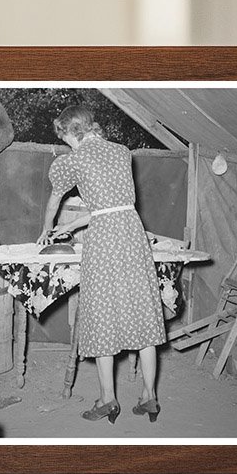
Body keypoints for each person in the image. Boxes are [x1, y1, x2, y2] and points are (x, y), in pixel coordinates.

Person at [39, 105, 166, 424]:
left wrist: (46, 228)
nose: (65, 142)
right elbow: (111, 206)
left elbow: (55, 201)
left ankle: (108, 399)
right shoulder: (122, 151)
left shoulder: (72, 160)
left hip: (105, 240)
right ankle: (149, 397)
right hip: (132, 232)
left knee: (101, 314)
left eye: (64, 136)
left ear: (72, 131)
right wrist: (73, 226)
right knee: (141, 311)